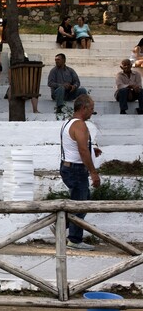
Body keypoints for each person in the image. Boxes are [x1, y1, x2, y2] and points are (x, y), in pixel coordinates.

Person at [58, 94, 101, 250]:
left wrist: (92, 150)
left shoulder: (68, 123)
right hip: (76, 169)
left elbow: (78, 146)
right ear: (84, 108)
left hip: (68, 166)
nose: (92, 112)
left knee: (82, 200)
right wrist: (94, 173)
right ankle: (74, 240)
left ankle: (60, 226)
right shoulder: (80, 125)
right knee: (80, 204)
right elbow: (82, 150)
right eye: (91, 109)